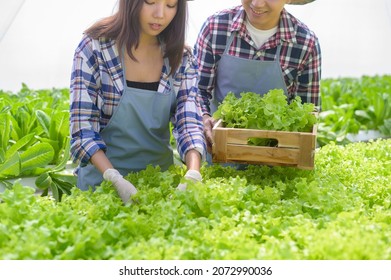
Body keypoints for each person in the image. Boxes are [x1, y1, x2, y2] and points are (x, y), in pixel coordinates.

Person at [70, 0, 205, 204]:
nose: (160, 14)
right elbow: (83, 130)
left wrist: (193, 173)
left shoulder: (181, 57)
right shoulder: (95, 48)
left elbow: (189, 123)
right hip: (102, 185)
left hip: (160, 185)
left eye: (170, 5)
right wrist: (114, 179)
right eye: (150, 2)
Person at [194, 0, 321, 155]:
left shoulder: (306, 44)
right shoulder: (215, 28)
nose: (257, 3)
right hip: (219, 153)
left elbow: (307, 115)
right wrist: (205, 118)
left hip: (277, 160)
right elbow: (198, 90)